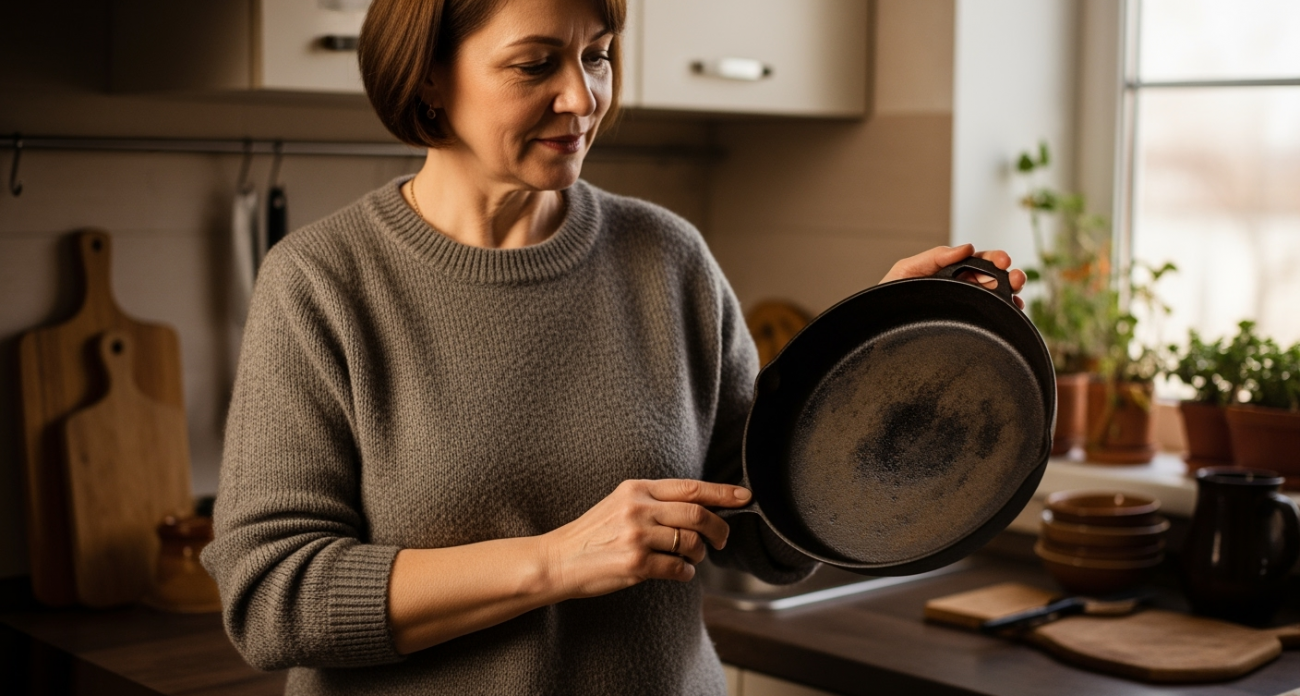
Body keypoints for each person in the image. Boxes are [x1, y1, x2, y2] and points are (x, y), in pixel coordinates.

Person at [201, 0, 1026, 693]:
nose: (582, 97)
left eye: (597, 56)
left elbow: (769, 532)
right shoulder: (323, 282)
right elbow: (272, 596)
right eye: (534, 65)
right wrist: (554, 562)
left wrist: (868, 365)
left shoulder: (666, 257)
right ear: (427, 74)